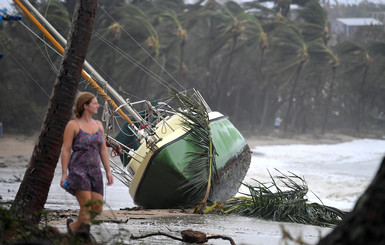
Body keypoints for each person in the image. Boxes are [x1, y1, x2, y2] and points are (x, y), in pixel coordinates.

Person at [60, 92, 113, 236]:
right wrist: (64, 174)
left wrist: (108, 171)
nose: (98, 105)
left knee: (97, 207)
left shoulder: (99, 125)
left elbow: (103, 150)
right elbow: (65, 150)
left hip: (95, 171)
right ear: (85, 106)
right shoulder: (73, 125)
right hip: (78, 170)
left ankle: (74, 227)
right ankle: (83, 235)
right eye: (95, 103)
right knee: (87, 205)